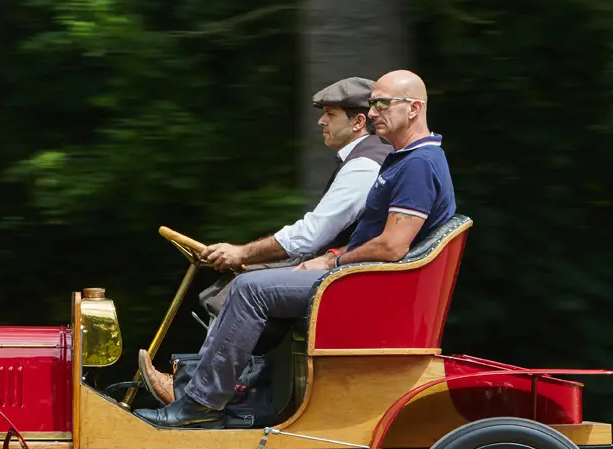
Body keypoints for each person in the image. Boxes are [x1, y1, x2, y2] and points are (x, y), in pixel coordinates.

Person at [135, 70, 455, 428]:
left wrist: (334, 259)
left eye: (382, 103)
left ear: (413, 108)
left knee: (249, 289)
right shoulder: (404, 158)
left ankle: (201, 404)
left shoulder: (418, 164)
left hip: (366, 286)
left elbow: (393, 246)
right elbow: (379, 238)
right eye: (373, 102)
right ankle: (210, 392)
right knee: (251, 283)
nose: (375, 110)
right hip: (363, 279)